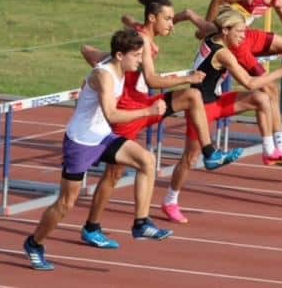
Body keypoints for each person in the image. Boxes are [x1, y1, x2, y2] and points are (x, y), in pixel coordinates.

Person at [78, 0, 240, 246]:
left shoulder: (141, 33)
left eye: (172, 19)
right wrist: (188, 77)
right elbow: (152, 79)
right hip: (130, 111)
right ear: (153, 19)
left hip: (146, 104)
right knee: (113, 175)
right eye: (168, 19)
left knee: (192, 97)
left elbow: (131, 23)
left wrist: (128, 24)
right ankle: (92, 227)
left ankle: (210, 153)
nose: (171, 25)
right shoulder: (142, 40)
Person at [22, 29, 173, 271]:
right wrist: (148, 111)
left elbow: (87, 51)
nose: (140, 61)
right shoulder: (105, 75)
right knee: (66, 203)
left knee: (147, 160)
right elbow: (111, 114)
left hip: (102, 136)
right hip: (80, 143)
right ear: (120, 55)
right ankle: (34, 243)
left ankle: (141, 223)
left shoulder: (115, 62)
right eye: (136, 56)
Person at [160, 8, 282, 223]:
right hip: (200, 109)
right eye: (239, 32)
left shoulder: (211, 31)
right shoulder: (224, 54)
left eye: (244, 31)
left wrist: (171, 23)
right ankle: (170, 201)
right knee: (190, 158)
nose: (243, 36)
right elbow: (249, 82)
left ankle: (270, 150)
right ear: (225, 31)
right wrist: (281, 72)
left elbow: (190, 14)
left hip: (217, 102)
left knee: (261, 99)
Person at [205, 0, 282, 167]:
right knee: (271, 88)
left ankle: (277, 146)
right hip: (237, 43)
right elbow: (218, 0)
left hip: (248, 35)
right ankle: (277, 148)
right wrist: (207, 29)